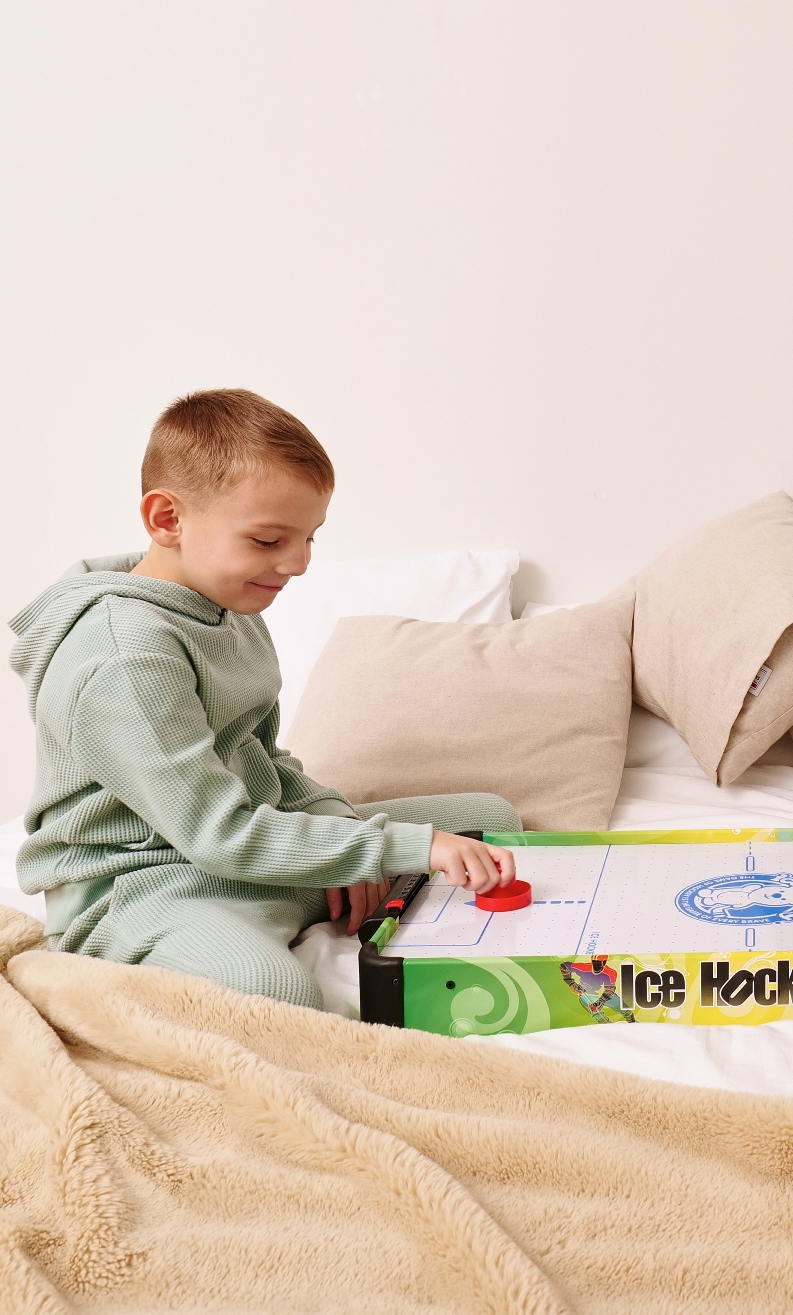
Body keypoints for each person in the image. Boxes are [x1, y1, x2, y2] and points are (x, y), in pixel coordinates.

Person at [9, 388, 519, 1010]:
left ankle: (303, 893)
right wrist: (396, 848)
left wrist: (340, 828)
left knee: (488, 820)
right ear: (167, 519)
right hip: (148, 888)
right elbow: (217, 832)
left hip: (246, 854)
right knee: (276, 991)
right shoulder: (123, 655)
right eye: (269, 540)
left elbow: (262, 761)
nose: (298, 564)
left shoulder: (228, 603)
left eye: (310, 538)